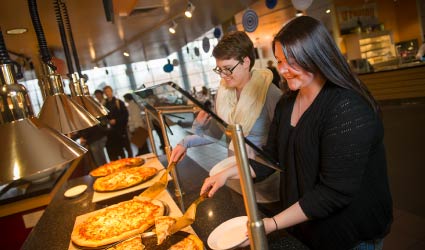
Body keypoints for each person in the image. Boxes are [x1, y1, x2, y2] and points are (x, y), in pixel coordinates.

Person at [201, 16, 393, 250]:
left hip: (348, 234)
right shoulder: (288, 103)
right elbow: (270, 158)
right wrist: (227, 173)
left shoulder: (346, 108)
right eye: (279, 61)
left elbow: (333, 192)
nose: (283, 70)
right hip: (309, 229)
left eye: (291, 62)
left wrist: (270, 224)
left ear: (316, 57)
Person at [170, 31, 282, 202]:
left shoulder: (269, 94)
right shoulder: (224, 94)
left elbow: (281, 150)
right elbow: (218, 133)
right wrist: (185, 142)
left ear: (246, 61)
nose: (223, 76)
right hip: (234, 177)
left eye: (228, 69)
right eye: (219, 70)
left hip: (265, 184)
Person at [103, 85, 132, 160]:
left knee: (126, 146)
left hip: (121, 129)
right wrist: (108, 122)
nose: (108, 93)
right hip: (112, 131)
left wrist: (116, 120)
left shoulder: (119, 102)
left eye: (109, 91)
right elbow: (104, 117)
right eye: (106, 92)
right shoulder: (104, 105)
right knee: (117, 148)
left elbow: (125, 115)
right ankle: (122, 161)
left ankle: (130, 159)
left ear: (112, 91)